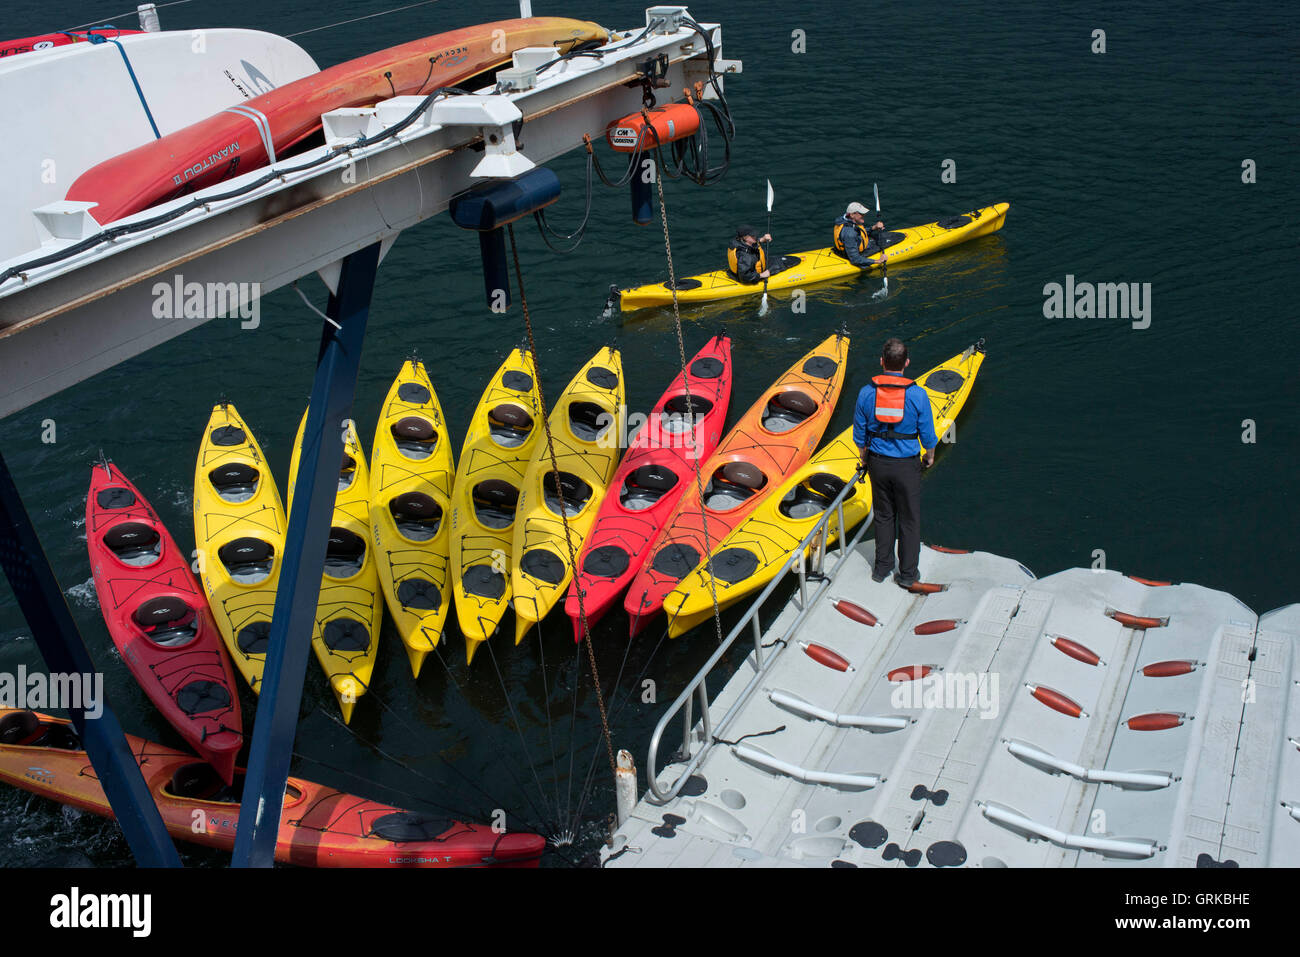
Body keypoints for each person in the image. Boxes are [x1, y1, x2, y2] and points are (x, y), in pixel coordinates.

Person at [852, 337, 938, 587]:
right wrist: (929, 456)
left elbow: (860, 435)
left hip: (878, 464)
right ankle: (908, 574)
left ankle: (882, 568)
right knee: (909, 519)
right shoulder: (918, 394)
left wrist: (865, 458)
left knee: (883, 515)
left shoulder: (866, 393)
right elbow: (928, 434)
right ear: (907, 363)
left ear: (881, 362)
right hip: (907, 466)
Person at [833, 201, 888, 269]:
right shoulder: (849, 233)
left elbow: (859, 233)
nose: (864, 215)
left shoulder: (845, 220)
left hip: (849, 246)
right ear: (852, 215)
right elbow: (855, 259)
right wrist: (878, 261)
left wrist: (874, 227)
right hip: (851, 255)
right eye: (861, 213)